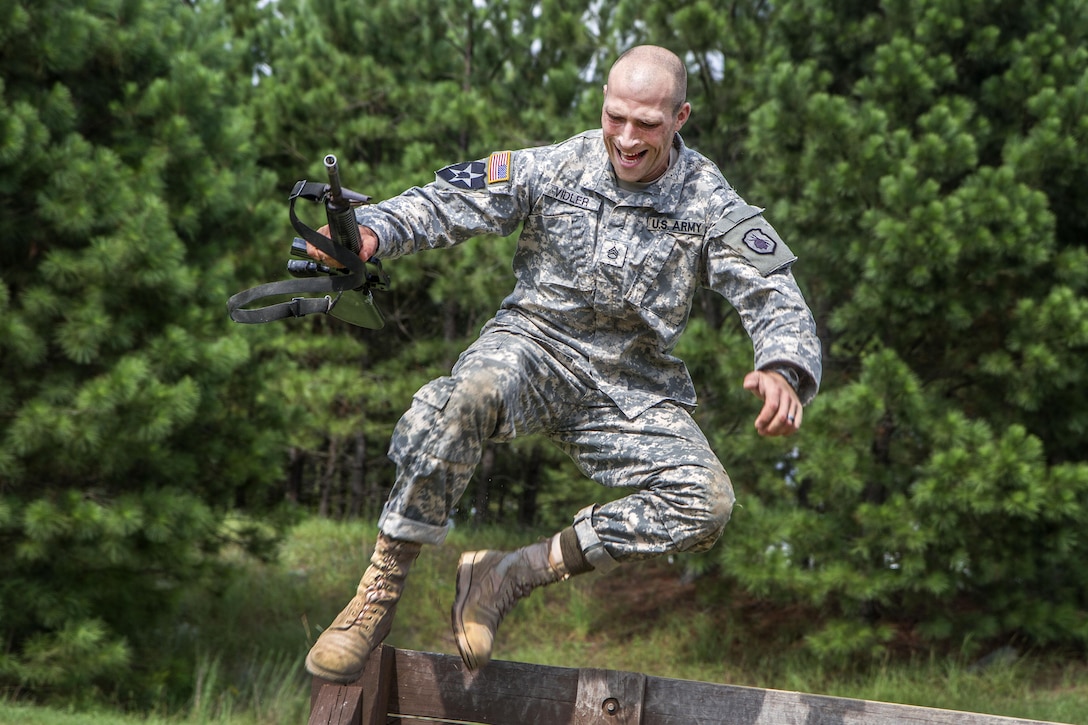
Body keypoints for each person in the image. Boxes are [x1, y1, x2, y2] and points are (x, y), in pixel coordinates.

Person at [303, 44, 821, 683]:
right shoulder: (555, 166)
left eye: (648, 125)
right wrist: (371, 231)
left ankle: (510, 573)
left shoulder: (709, 201)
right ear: (603, 103)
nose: (627, 139)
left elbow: (773, 290)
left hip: (629, 385)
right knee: (468, 395)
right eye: (616, 118)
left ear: (681, 117)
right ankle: (376, 595)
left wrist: (784, 367)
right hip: (534, 348)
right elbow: (447, 201)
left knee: (705, 503)